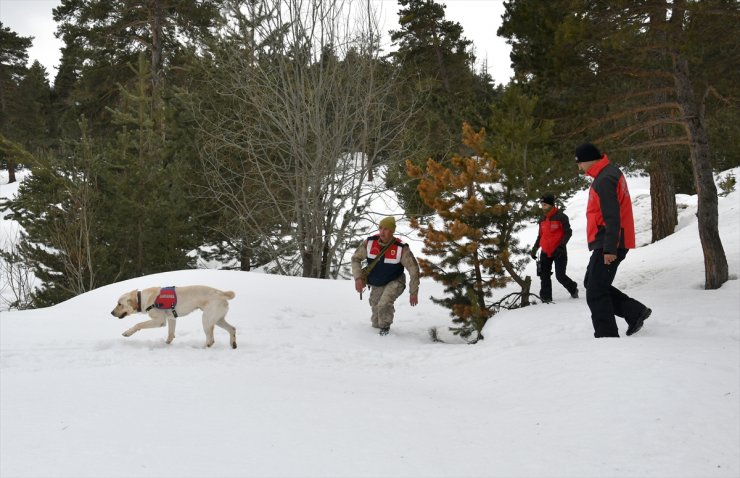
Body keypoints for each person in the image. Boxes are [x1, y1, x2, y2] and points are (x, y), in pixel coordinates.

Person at [575, 142, 652, 338]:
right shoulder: (607, 174)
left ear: (588, 160)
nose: (579, 168)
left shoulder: (605, 178)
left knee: (595, 291)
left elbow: (612, 217)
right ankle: (634, 312)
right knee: (591, 283)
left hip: (610, 242)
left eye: (579, 163)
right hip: (607, 241)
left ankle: (606, 335)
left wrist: (610, 249)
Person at [351, 216, 420, 336]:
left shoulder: (401, 248)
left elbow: (414, 270)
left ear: (392, 231)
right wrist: (358, 278)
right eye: (380, 228)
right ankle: (377, 330)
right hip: (377, 282)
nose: (382, 232)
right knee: (375, 311)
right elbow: (355, 259)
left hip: (395, 281)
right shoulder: (369, 242)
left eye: (386, 229)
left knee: (384, 304)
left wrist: (413, 292)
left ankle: (385, 332)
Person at [530, 193, 579, 302]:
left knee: (560, 276)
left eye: (545, 205)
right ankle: (546, 298)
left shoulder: (561, 217)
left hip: (559, 251)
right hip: (545, 251)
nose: (543, 207)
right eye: (542, 205)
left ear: (552, 205)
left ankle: (573, 288)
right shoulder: (542, 219)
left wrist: (561, 246)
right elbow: (540, 236)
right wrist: (534, 249)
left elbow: (568, 232)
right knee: (544, 275)